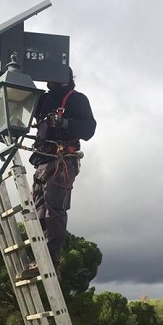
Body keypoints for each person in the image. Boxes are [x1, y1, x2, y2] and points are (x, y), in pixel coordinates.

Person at [20, 66, 96, 279]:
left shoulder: (76, 99)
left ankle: (51, 259)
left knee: (54, 210)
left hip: (61, 162)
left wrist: (64, 123)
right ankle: (40, 257)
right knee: (38, 210)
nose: (48, 82)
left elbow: (89, 128)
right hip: (43, 161)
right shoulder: (43, 100)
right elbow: (21, 102)